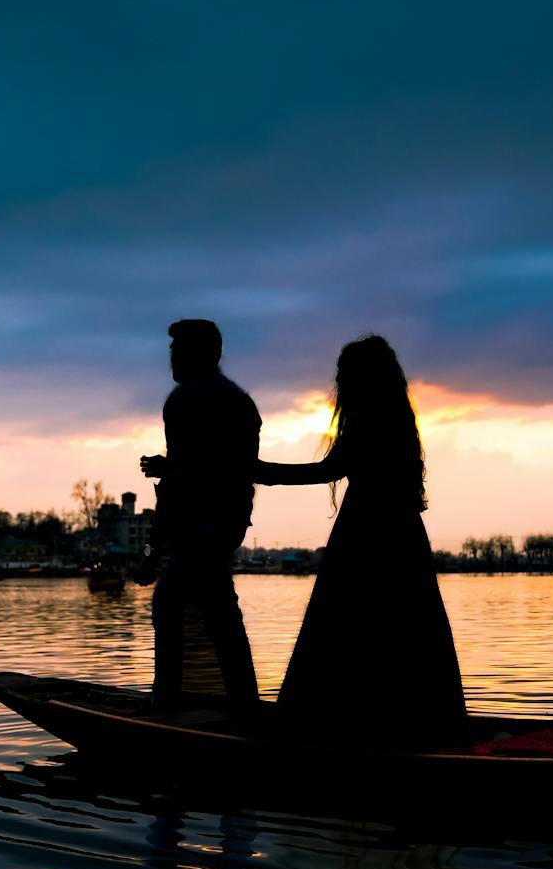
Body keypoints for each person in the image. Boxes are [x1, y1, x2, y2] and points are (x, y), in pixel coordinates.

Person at [251, 335, 466, 746]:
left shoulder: (367, 419)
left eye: (343, 375)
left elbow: (326, 470)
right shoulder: (400, 420)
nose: (338, 383)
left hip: (364, 539)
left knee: (347, 631)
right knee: (407, 633)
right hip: (402, 540)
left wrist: (260, 470)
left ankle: (340, 728)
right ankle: (417, 726)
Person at [136, 319, 262, 713]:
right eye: (171, 350)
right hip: (225, 524)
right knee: (210, 609)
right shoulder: (239, 401)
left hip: (203, 527)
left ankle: (169, 703)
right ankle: (240, 703)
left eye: (179, 350)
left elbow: (188, 478)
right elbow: (226, 469)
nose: (172, 358)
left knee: (179, 605)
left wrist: (152, 547)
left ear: (205, 354)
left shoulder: (183, 401)